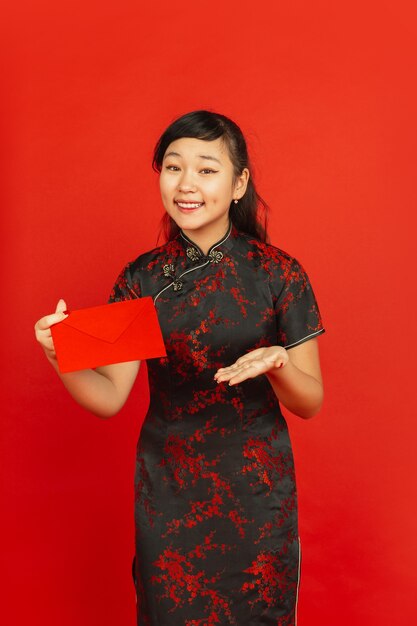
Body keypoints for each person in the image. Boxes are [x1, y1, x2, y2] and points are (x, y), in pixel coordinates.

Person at [35, 110, 325, 626]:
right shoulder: (142, 279)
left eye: (206, 170)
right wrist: (60, 358)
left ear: (239, 184)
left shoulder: (279, 273)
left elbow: (309, 402)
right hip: (167, 493)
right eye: (173, 168)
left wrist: (278, 364)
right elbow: (108, 399)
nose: (186, 184)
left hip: (256, 493)